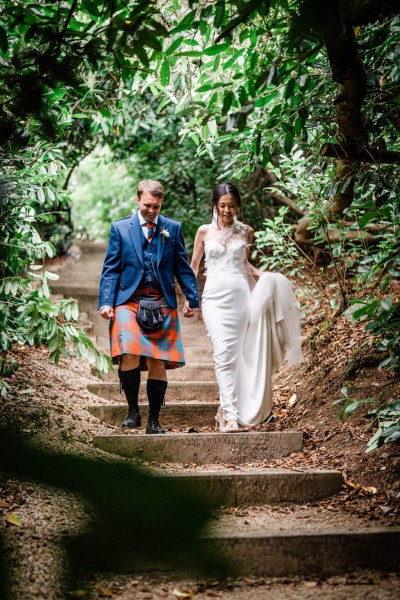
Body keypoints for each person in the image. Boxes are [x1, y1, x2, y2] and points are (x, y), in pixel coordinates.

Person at [190, 183, 303, 432]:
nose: (227, 211)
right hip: (213, 298)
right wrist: (190, 299)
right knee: (222, 353)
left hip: (240, 297)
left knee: (234, 354)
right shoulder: (204, 232)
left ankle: (224, 410)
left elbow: (245, 265)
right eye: (222, 206)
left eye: (231, 206)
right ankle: (230, 415)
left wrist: (267, 277)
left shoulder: (246, 232)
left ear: (238, 206)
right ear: (214, 205)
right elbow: (194, 266)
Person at [98, 179, 199, 434]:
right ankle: (133, 411)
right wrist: (106, 302)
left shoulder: (173, 228)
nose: (151, 211)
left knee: (158, 359)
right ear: (137, 200)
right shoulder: (120, 228)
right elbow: (111, 269)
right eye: (147, 205)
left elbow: (182, 267)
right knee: (129, 353)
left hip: (162, 300)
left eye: (156, 206)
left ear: (161, 202)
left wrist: (191, 298)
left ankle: (154, 419)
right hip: (128, 301)